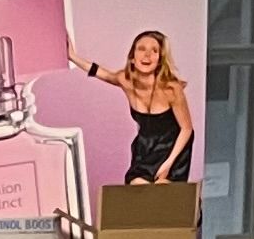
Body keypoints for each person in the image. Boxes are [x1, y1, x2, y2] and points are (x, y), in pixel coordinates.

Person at [74, 28, 195, 184]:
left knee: (162, 189)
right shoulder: (125, 80)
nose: (147, 55)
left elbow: (186, 129)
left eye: (154, 51)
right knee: (136, 185)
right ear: (132, 57)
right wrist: (72, 57)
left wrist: (168, 164)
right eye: (141, 49)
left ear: (160, 59)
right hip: (145, 147)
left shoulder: (171, 89)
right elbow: (100, 72)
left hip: (173, 148)